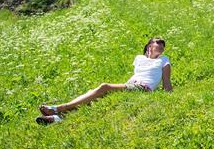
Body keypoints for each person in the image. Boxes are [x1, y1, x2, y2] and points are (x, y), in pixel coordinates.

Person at [36, 37, 172, 124]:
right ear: (149, 46)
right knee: (95, 96)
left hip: (144, 88)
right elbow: (136, 75)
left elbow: (166, 81)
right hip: (131, 85)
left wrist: (168, 98)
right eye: (158, 43)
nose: (161, 46)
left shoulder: (164, 60)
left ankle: (58, 108)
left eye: (163, 45)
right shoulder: (139, 58)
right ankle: (58, 118)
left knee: (104, 87)